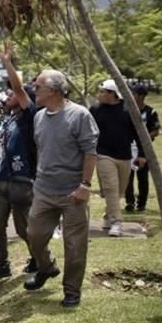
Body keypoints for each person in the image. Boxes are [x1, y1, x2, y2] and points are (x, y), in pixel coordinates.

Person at [25, 69, 99, 308]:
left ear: (54, 91)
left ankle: (71, 291)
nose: (34, 91)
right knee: (34, 237)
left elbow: (90, 152)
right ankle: (47, 268)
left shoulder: (79, 115)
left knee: (75, 245)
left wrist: (85, 185)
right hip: (44, 190)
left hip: (73, 193)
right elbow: (41, 150)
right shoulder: (38, 117)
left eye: (38, 87)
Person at [0, 43, 37, 279]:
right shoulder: (9, 120)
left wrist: (7, 62)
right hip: (2, 180)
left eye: (13, 94)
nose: (8, 96)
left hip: (22, 181)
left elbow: (18, 87)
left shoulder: (29, 117)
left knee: (23, 228)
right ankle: (2, 263)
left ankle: (38, 258)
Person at [91, 79, 141, 237]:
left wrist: (142, 154)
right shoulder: (95, 109)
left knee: (119, 191)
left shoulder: (128, 110)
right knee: (111, 188)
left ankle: (109, 213)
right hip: (103, 155)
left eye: (103, 92)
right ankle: (117, 222)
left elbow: (139, 133)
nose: (100, 94)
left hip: (124, 156)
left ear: (112, 94)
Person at [126, 83, 161, 212]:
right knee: (127, 177)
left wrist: (144, 137)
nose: (132, 96)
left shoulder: (150, 111)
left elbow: (155, 130)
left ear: (141, 96)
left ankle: (141, 204)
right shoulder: (127, 110)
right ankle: (129, 202)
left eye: (134, 94)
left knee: (142, 177)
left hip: (144, 149)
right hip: (128, 148)